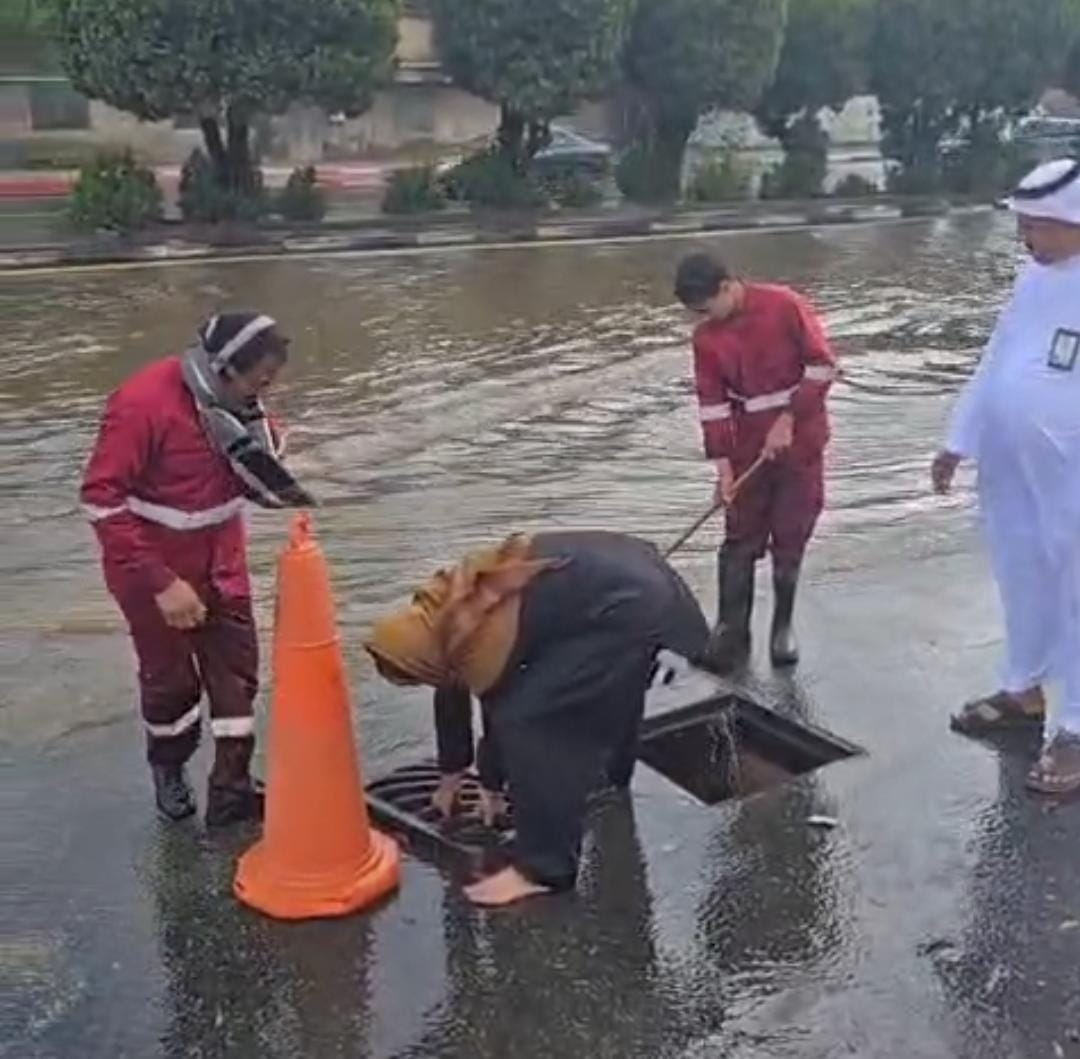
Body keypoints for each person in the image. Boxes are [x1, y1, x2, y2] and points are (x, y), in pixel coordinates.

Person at [364, 530, 710, 907]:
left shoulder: (485, 640)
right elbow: (452, 685)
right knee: (610, 684)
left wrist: (492, 786)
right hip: (640, 584)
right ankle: (610, 777)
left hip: (636, 608)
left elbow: (504, 712)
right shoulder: (448, 609)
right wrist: (451, 775)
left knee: (533, 721)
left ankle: (546, 870)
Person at [80, 312, 314, 826]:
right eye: (260, 381)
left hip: (222, 557)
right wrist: (161, 582)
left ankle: (230, 789)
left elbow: (254, 460)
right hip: (151, 567)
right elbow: (100, 500)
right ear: (224, 369)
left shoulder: (239, 405)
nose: (266, 392)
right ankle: (169, 768)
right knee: (171, 684)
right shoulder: (142, 404)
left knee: (238, 676)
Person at [933, 157, 1080, 795]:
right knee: (1022, 575)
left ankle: (1076, 729)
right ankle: (1024, 691)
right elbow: (997, 358)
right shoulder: (1032, 280)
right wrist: (957, 440)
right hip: (1015, 466)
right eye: (1022, 225)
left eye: (1037, 226)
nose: (1025, 238)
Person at [674, 252, 837, 672]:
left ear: (728, 287)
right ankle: (732, 632)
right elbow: (712, 404)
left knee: (791, 531)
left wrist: (789, 418)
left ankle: (782, 628)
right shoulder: (706, 338)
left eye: (707, 308)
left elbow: (823, 366)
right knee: (739, 536)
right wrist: (724, 469)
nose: (704, 319)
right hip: (747, 446)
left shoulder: (785, 305)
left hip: (800, 442)